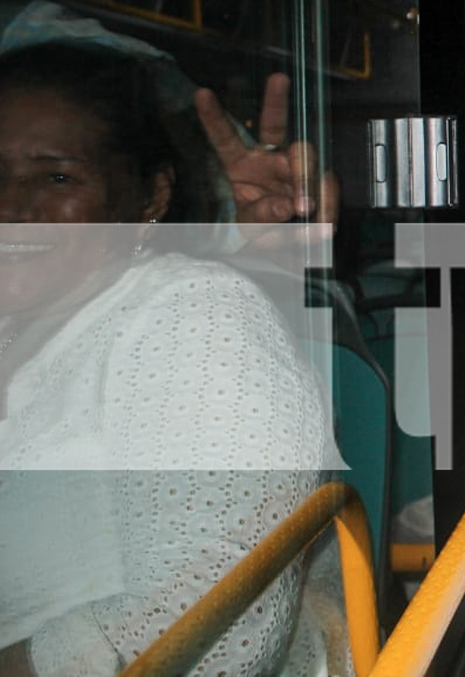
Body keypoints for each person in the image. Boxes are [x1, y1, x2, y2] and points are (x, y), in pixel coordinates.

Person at [0, 41, 333, 676]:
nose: (12, 208)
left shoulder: (196, 318)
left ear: (150, 199)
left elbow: (219, 637)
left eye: (57, 176)